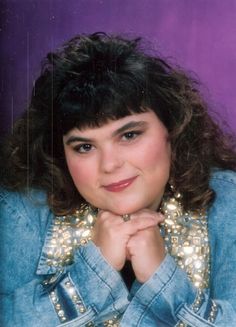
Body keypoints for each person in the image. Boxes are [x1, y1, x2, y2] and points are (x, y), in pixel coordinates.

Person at [0, 32, 236, 327]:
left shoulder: (229, 202)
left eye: (129, 135)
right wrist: (93, 273)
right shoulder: (21, 210)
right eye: (84, 147)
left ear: (173, 129)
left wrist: (162, 278)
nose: (109, 165)